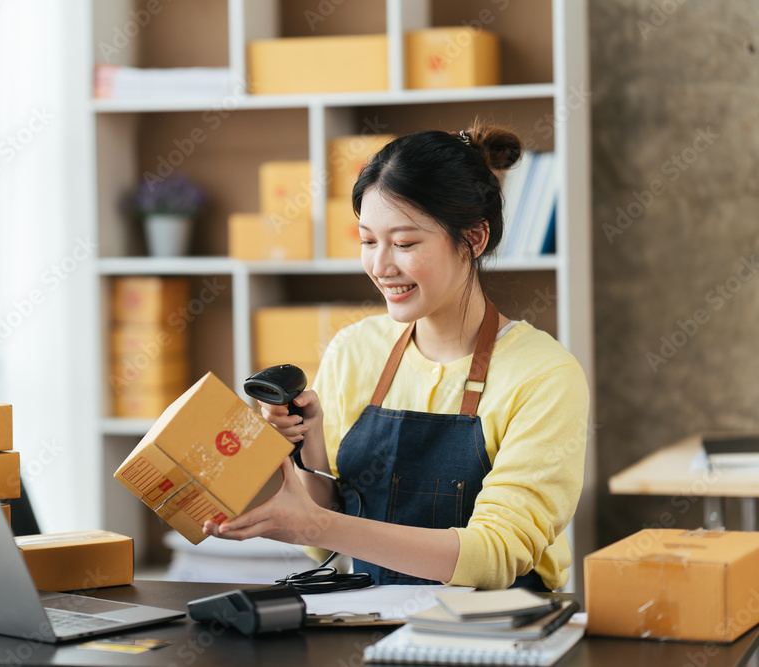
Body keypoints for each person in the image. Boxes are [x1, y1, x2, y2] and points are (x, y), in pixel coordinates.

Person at [203, 124, 589, 591]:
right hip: (370, 629)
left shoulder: (544, 375)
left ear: (475, 238)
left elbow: (495, 556)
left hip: (493, 638)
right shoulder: (354, 349)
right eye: (368, 241)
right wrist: (308, 451)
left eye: (404, 244)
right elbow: (324, 543)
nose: (381, 267)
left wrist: (316, 525)